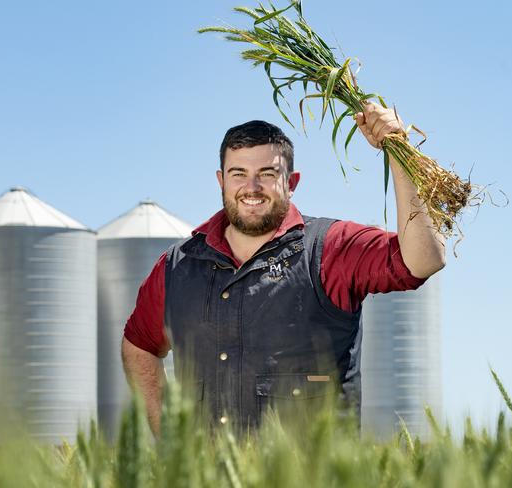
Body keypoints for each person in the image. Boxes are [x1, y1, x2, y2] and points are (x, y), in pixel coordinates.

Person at [121, 103, 446, 434]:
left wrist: (399, 151)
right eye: (238, 174)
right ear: (221, 180)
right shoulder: (177, 267)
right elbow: (139, 345)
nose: (252, 188)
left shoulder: (331, 248)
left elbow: (424, 260)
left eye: (267, 174)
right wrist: (171, 439)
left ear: (292, 182)